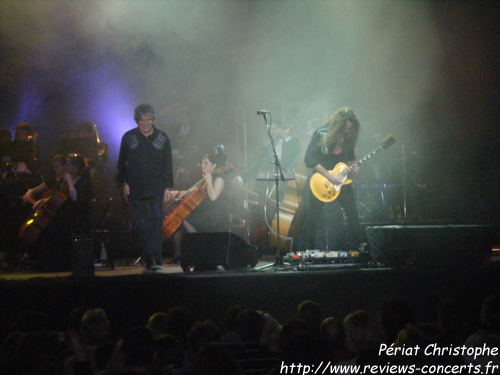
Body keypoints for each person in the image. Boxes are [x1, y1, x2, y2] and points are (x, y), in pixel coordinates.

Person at [117, 103, 174, 273]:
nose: (145, 123)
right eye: (142, 120)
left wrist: (168, 187)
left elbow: (167, 164)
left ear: (153, 119)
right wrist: (124, 183)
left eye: (148, 120)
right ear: (137, 121)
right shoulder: (128, 138)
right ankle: (149, 260)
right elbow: (121, 163)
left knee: (156, 223)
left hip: (157, 188)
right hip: (136, 188)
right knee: (142, 225)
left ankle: (157, 259)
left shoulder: (162, 138)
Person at [297, 107, 363, 251]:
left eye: (350, 129)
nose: (347, 131)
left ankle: (360, 249)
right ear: (338, 125)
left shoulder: (348, 138)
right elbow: (309, 159)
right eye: (345, 128)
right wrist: (329, 175)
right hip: (320, 179)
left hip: (341, 180)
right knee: (312, 218)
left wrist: (354, 167)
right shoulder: (321, 133)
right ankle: (305, 253)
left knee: (352, 213)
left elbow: (350, 159)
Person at [31, 154, 93, 271]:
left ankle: (59, 264)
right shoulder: (64, 180)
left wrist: (69, 183)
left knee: (52, 229)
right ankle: (47, 264)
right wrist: (42, 201)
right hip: (65, 216)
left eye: (69, 164)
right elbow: (58, 196)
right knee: (46, 228)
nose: (66, 167)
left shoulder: (83, 181)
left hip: (77, 218)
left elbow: (75, 199)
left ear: (76, 167)